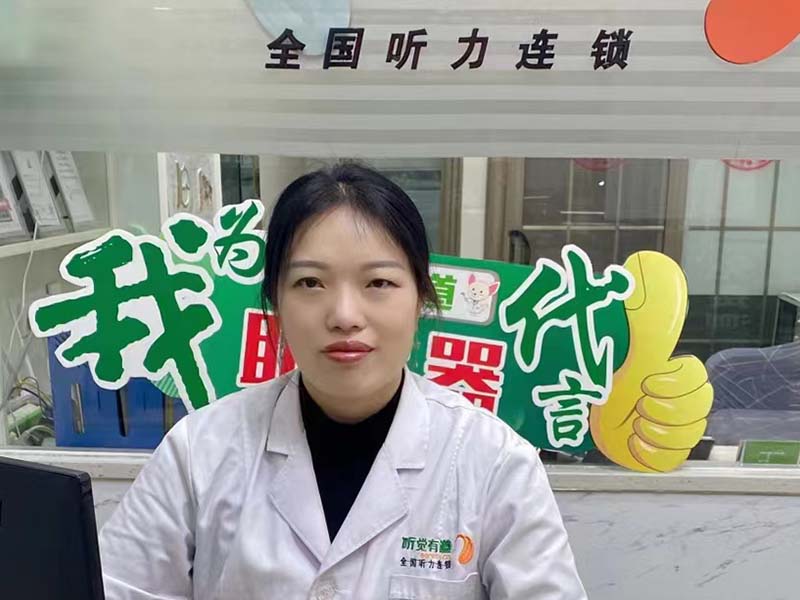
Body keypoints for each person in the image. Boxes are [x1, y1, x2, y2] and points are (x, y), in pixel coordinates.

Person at [99, 162, 587, 599]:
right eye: (310, 283)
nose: (345, 315)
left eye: (379, 283)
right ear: (275, 302)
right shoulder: (198, 453)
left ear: (420, 299)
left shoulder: (494, 462)